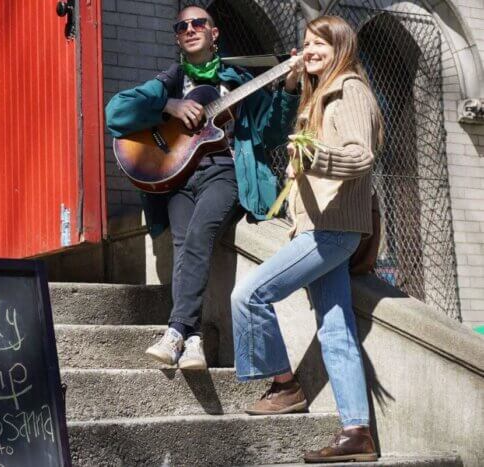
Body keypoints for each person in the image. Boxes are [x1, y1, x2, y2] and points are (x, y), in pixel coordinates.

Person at [105, 6, 301, 369]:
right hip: (178, 179)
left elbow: (271, 133)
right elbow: (116, 112)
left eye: (199, 23)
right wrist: (170, 106)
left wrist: (289, 87)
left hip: (223, 173)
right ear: (178, 37)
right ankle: (194, 341)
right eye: (182, 25)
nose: (190, 28)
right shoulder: (171, 80)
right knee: (182, 246)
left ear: (214, 33)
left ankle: (177, 329)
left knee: (197, 237)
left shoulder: (239, 81)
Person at [229, 15, 384, 463]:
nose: (310, 50)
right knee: (336, 331)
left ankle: (283, 384)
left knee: (250, 294)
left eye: (320, 44)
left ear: (342, 48)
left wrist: (316, 154)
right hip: (322, 227)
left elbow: (360, 157)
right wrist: (296, 90)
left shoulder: (349, 90)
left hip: (334, 228)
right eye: (306, 43)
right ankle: (357, 432)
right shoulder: (320, 95)